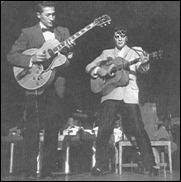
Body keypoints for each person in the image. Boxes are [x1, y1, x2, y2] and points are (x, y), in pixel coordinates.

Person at [7, 1, 75, 179]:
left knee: (53, 130)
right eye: (48, 14)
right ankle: (29, 172)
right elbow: (11, 56)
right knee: (32, 130)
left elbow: (66, 63)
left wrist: (69, 56)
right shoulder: (27, 33)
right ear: (39, 15)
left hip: (55, 86)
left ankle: (47, 172)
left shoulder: (64, 32)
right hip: (33, 86)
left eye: (54, 14)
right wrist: (32, 58)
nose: (53, 18)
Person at [86, 25, 159, 176]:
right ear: (113, 38)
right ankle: (100, 166)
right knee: (104, 129)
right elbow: (89, 66)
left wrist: (145, 62)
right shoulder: (106, 53)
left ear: (127, 37)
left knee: (138, 129)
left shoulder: (134, 52)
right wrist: (100, 70)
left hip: (129, 95)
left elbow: (142, 68)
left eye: (122, 36)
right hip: (110, 93)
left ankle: (150, 164)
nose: (119, 39)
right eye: (116, 36)